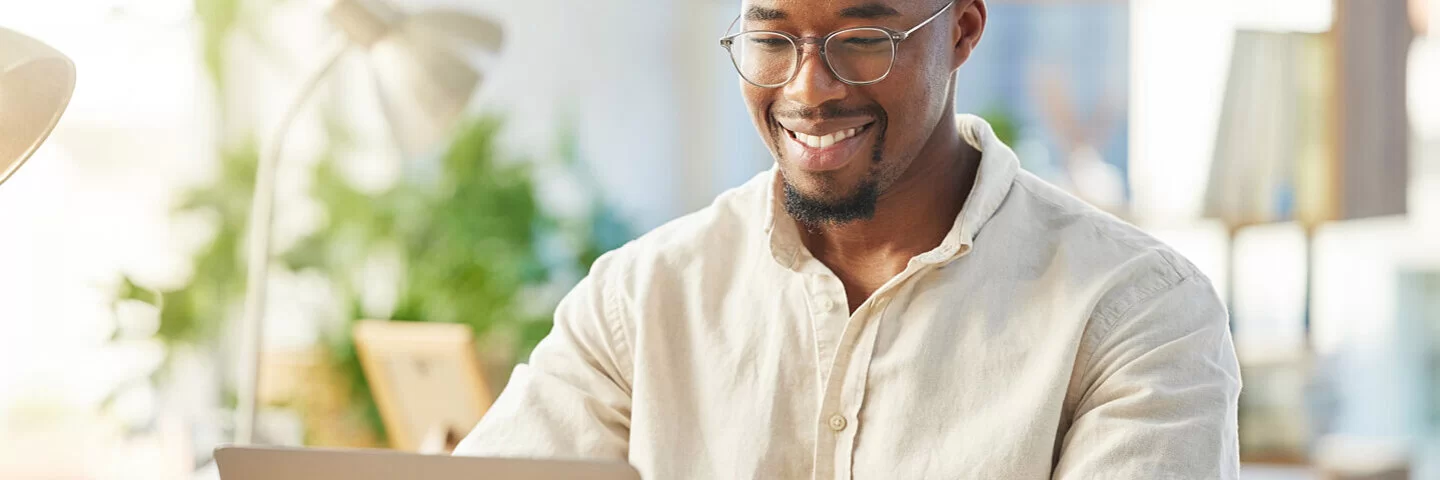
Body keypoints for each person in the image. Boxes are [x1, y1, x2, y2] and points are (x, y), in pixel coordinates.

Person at [453, 0, 1241, 478]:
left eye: (864, 38)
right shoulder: (641, 299)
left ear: (962, 30)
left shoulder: (1137, 314)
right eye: (771, 38)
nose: (807, 89)